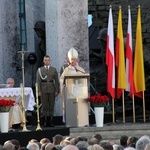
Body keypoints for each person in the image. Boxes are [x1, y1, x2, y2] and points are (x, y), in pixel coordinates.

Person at [60, 47, 85, 123]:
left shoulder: (81, 70)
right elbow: (62, 80)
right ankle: (70, 120)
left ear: (76, 60)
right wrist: (64, 85)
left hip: (79, 92)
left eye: (74, 59)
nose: (73, 61)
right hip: (70, 92)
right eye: (72, 59)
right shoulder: (66, 70)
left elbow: (84, 79)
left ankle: (81, 120)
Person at [36, 55, 60, 127]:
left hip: (51, 88)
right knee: (44, 105)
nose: (47, 61)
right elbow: (38, 81)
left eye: (48, 60)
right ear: (43, 61)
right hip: (43, 89)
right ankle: (45, 120)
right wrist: (39, 91)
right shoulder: (40, 70)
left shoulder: (53, 69)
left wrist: (57, 90)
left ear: (50, 61)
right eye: (45, 60)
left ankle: (51, 120)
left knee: (51, 105)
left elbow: (56, 81)